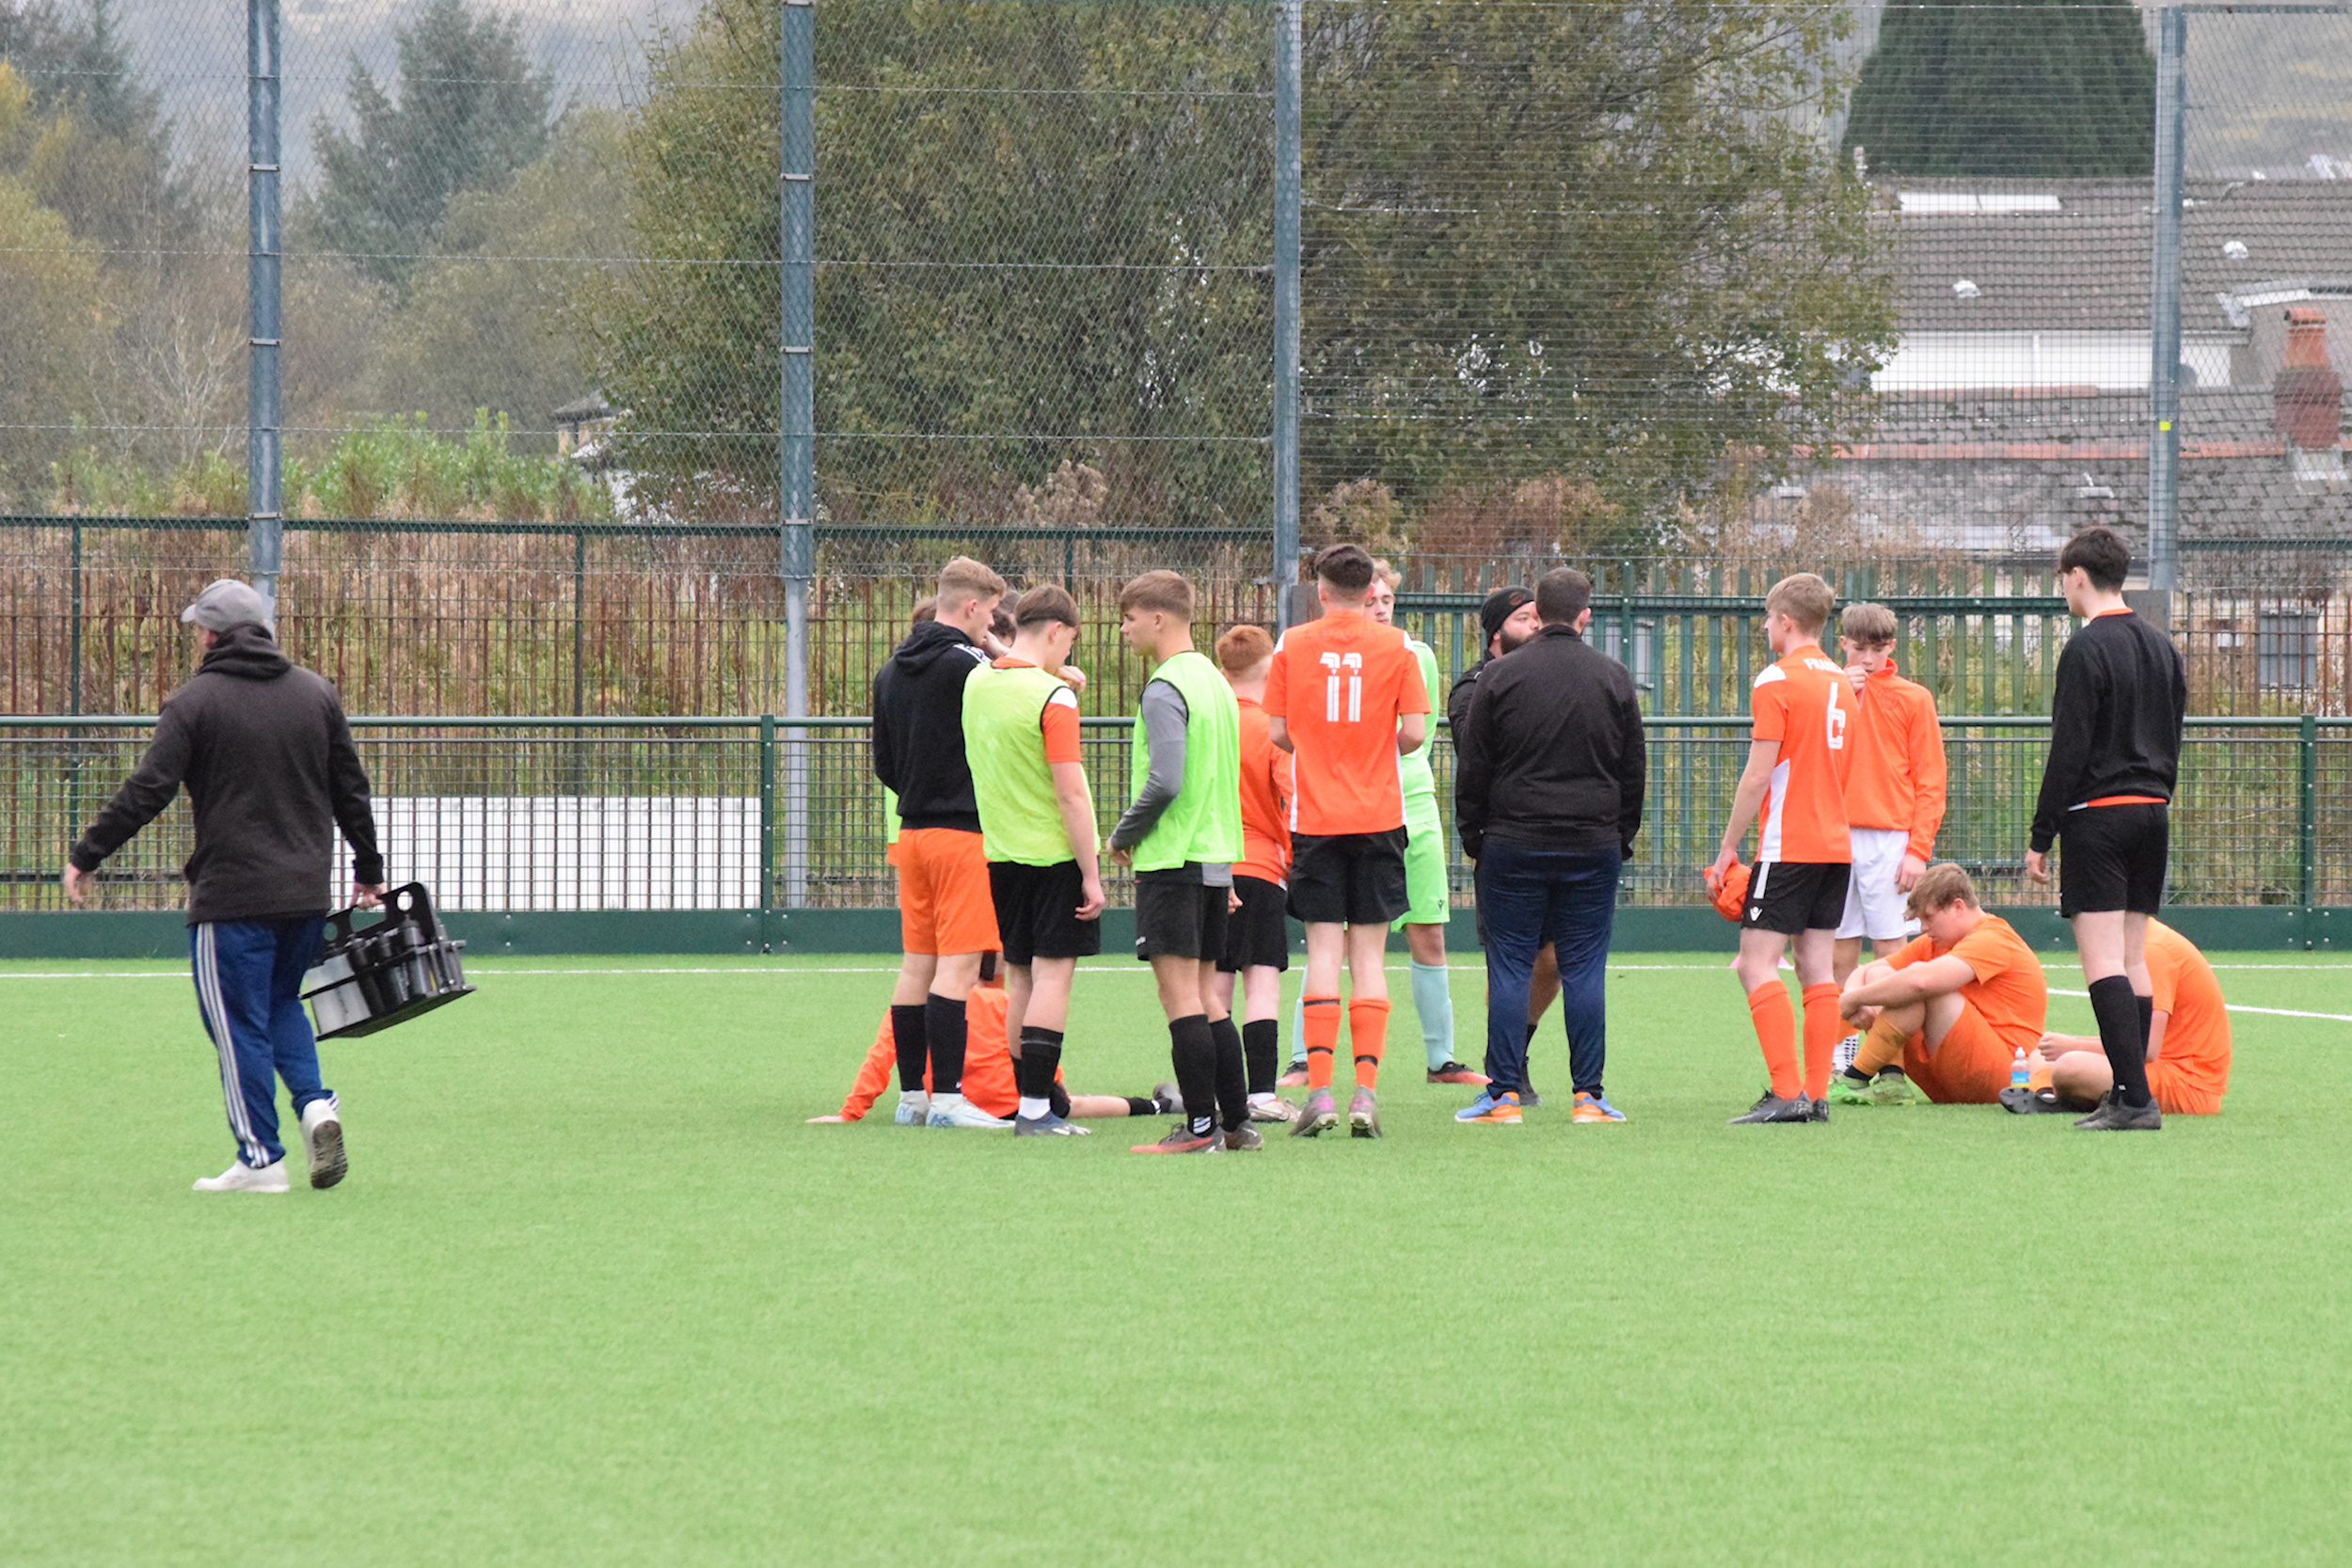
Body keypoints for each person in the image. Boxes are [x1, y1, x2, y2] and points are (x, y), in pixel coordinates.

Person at [63, 578, 383, 1192]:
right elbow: (351, 788)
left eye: (198, 629)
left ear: (212, 634)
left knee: (237, 1023)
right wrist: (368, 868)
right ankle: (316, 1105)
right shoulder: (317, 693)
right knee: (282, 1001)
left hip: (233, 897)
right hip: (306, 895)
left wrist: (88, 852)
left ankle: (261, 1159)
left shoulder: (195, 702)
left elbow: (148, 789)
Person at [1452, 567, 1645, 1125]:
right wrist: (1619, 836)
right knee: (1583, 967)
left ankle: (1503, 1096)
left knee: (1510, 965)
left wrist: (1475, 838)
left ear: (1541, 610)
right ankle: (1588, 1097)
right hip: (1592, 843)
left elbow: (1475, 767)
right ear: (1586, 615)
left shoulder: (1501, 676)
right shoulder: (1613, 677)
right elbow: (1633, 768)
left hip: (1512, 842)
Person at [1263, 543, 1430, 1138]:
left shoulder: (1292, 644)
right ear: (1369, 592)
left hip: (1316, 822)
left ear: (1321, 589)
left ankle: (1321, 1094)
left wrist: (1321, 750)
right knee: (1370, 960)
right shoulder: (1398, 646)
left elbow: (1278, 731)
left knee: (1323, 958)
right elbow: (1414, 732)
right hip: (1380, 816)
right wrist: (1375, 750)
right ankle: (1365, 1094)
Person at [2025, 525, 2188, 1132]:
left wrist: (2042, 835)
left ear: (2077, 577)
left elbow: (2068, 748)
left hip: (2098, 817)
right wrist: (2159, 794)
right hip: (2153, 810)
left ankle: (2132, 1098)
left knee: (2101, 962)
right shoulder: (2162, 647)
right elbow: (2173, 730)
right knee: (2132, 955)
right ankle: (2133, 1087)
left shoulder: (2085, 648)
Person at [1107, 571, 1253, 1153]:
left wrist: (1124, 832)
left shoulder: (1166, 687)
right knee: (1209, 995)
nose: (1124, 628)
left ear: (1159, 619)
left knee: (1182, 1000)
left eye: (1129, 618)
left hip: (1173, 859)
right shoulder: (1216, 683)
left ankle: (1198, 1128)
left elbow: (1166, 780)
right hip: (1215, 858)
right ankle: (1237, 1123)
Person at [1707, 572, 1858, 1124]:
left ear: (1787, 622)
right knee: (1817, 966)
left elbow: (1757, 773)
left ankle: (1786, 1091)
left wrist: (1729, 846)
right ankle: (1815, 1095)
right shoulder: (1841, 679)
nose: (1766, 627)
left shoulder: (1776, 679)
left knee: (1755, 964)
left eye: (1769, 618)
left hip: (1789, 841)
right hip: (1835, 844)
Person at [874, 558, 1018, 1129]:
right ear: (973, 607)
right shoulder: (973, 666)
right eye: (988, 614)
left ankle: (913, 1098)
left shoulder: (890, 671)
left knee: (917, 967)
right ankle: (953, 1100)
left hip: (912, 837)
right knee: (957, 972)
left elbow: (884, 761)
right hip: (964, 836)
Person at [961, 584, 1107, 1137]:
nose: (1069, 655)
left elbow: (1003, 662)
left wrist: (1050, 675)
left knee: (1018, 977)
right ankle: (1038, 1110)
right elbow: (1071, 793)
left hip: (1001, 853)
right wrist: (1091, 873)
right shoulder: (1054, 699)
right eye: (1070, 642)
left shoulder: (978, 682)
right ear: (1056, 631)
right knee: (1053, 978)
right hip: (1053, 856)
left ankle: (1031, 1107)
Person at [811, 958, 1184, 1125]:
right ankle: (1158, 1105)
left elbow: (880, 1056)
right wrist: (1055, 1085)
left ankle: (1160, 1104)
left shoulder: (913, 1002)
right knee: (1074, 1104)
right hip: (1010, 1104)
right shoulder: (1000, 1000)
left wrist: (850, 1111)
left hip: (946, 1103)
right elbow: (1034, 1045)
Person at [1368, 562, 1483, 1085]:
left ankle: (1442, 1061)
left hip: (1414, 808)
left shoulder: (1418, 655)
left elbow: (1418, 734)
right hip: (1356, 810)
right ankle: (1303, 1060)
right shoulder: (1329, 658)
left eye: (1386, 600)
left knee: (1429, 934)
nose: (1379, 608)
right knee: (1338, 939)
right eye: (1370, 600)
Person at [1445, 583, 1556, 1099]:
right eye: (1524, 619)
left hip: (1560, 836)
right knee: (1509, 958)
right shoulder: (1472, 687)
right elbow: (1475, 757)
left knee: (1553, 961)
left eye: (1539, 617)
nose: (1535, 626)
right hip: (1505, 838)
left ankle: (1521, 1045)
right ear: (1497, 633)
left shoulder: (1555, 676)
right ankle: (1506, 1068)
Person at [1829, 602, 1947, 1072]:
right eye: (1859, 649)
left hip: (1890, 838)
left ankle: (1890, 1065)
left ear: (1892, 646)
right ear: (1842, 645)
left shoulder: (1913, 698)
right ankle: (1840, 1060)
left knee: (1890, 953)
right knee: (1836, 949)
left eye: (1877, 650)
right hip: (1832, 834)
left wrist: (1918, 849)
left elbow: (1930, 779)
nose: (1868, 659)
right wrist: (1839, 694)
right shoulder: (1826, 691)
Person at [1831, 863, 2048, 1105]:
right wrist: (1852, 995)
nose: (1923, 928)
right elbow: (1866, 971)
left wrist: (1853, 1000)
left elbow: (1922, 983)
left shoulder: (1993, 938)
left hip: (2007, 1078)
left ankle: (1855, 1076)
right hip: (1950, 1077)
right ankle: (1891, 1082)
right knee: (1882, 976)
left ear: (1957, 907)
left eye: (1928, 917)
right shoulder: (1936, 941)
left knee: (1922, 983)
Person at [1210, 624, 1300, 1124]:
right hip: (1260, 866)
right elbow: (1289, 798)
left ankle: (1211, 1090)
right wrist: (1292, 856)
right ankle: (1262, 1094)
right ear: (1269, 668)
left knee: (1214, 984)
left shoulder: (1205, 720)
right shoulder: (1270, 727)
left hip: (1208, 864)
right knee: (1262, 981)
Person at [2025, 919, 2230, 1116]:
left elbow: (2146, 1048)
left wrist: (2074, 1046)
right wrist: (2071, 1044)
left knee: (2068, 1066)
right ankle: (2049, 1092)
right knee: (2039, 1054)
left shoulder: (2152, 950)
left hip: (2188, 1085)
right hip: (2156, 1067)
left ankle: (2055, 1092)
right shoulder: (2137, 942)